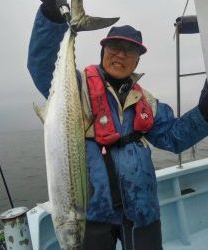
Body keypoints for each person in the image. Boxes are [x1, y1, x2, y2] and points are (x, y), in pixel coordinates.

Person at [27, 1, 208, 249]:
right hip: (93, 215)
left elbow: (175, 138)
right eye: (114, 46)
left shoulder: (146, 101)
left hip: (142, 211)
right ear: (103, 51)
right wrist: (51, 18)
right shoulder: (78, 89)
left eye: (129, 51)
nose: (121, 54)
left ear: (137, 61)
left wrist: (205, 113)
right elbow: (41, 67)